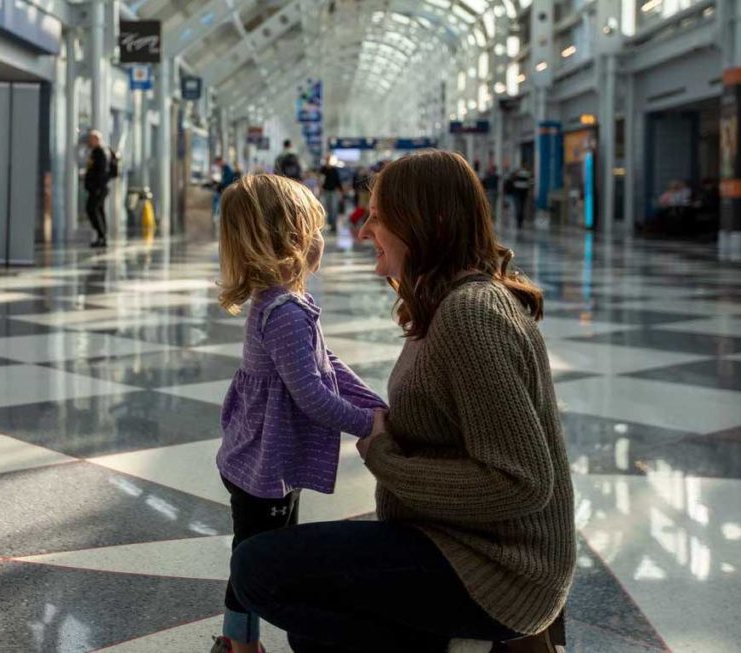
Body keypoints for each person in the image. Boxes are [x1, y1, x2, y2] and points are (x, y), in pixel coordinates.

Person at [229, 151, 575, 653]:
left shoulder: (471, 314)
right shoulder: (445, 303)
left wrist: (382, 454)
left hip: (498, 571)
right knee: (311, 623)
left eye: (377, 216)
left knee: (259, 569)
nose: (364, 230)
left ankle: (467, 645)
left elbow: (520, 483)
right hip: (458, 541)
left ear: (426, 222)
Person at [212, 174, 388, 653]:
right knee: (254, 557)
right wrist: (365, 424)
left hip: (265, 458)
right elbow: (311, 393)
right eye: (315, 231)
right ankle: (238, 643)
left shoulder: (288, 302)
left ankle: (240, 637)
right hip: (263, 464)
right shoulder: (285, 311)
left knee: (265, 550)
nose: (323, 241)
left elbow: (327, 362)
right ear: (291, 241)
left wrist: (373, 404)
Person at [84, 130, 111, 248]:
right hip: (98, 187)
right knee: (98, 210)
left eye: (91, 139)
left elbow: (100, 172)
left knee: (92, 209)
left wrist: (97, 187)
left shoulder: (100, 153)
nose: (89, 141)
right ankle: (102, 236)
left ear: (96, 139)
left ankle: (102, 235)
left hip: (98, 188)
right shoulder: (98, 152)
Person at [319, 155, 344, 232]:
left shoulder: (334, 170)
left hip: (333, 191)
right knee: (326, 208)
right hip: (325, 191)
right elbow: (320, 180)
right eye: (327, 159)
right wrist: (320, 189)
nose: (328, 161)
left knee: (333, 208)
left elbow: (338, 181)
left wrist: (341, 190)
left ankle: (333, 225)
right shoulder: (323, 169)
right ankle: (328, 224)